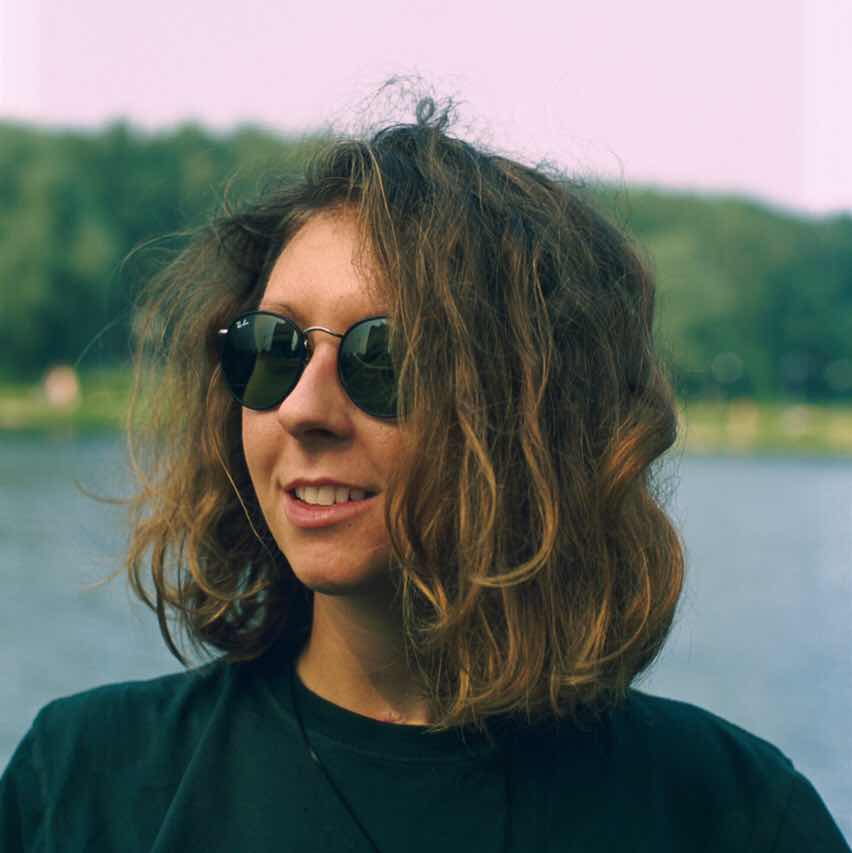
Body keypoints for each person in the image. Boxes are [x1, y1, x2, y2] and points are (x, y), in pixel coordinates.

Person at [1, 98, 849, 853]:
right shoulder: (80, 785)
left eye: (387, 356)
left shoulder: (731, 814)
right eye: (274, 347)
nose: (303, 408)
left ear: (538, 416)